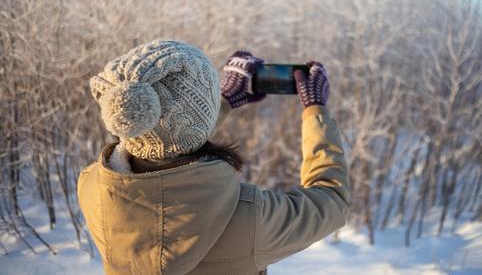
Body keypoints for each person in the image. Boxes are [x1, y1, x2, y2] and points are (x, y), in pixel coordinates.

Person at [78, 40, 350, 275]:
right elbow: (331, 201)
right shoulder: (249, 217)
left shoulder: (93, 189)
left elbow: (163, 140)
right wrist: (316, 111)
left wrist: (224, 101)